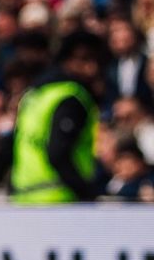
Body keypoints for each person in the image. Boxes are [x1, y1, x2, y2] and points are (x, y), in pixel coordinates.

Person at [11, 31, 105, 203]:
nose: (92, 68)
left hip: (25, 198)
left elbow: (11, 144)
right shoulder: (71, 97)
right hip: (61, 200)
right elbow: (58, 153)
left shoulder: (34, 95)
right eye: (84, 59)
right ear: (67, 60)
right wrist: (87, 195)